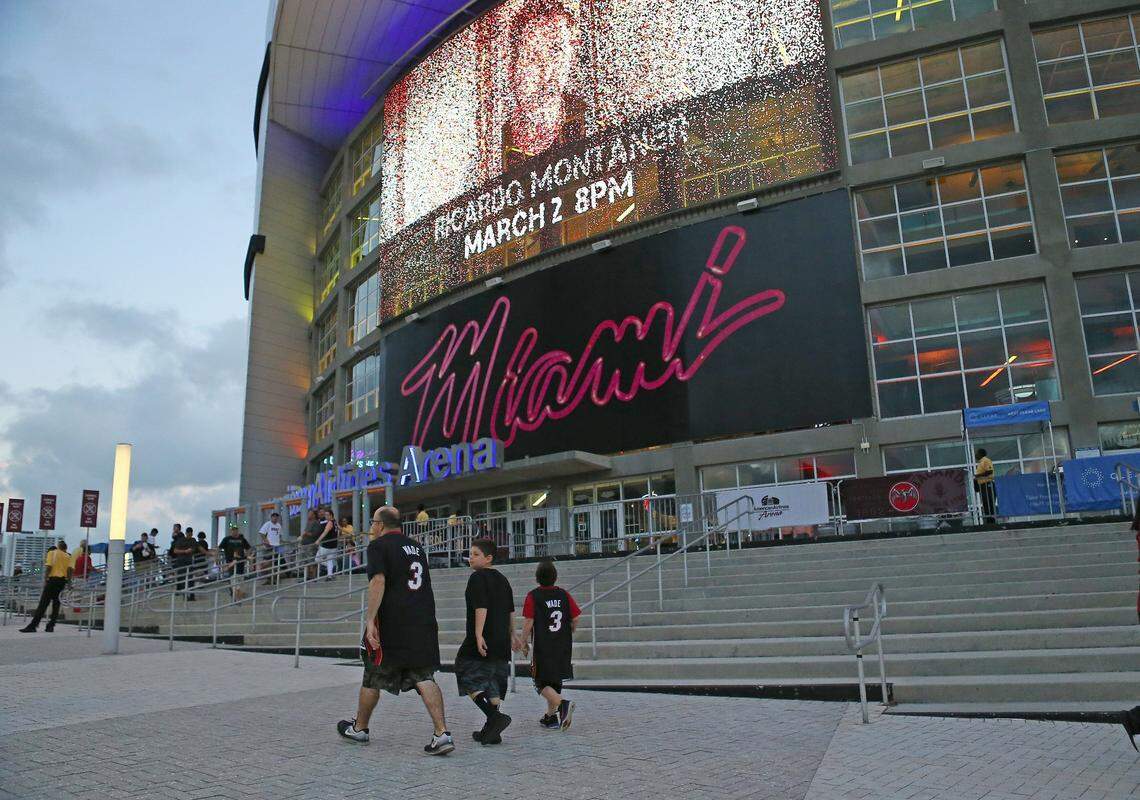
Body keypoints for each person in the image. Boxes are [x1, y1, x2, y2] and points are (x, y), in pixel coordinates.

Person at [337, 506, 454, 755]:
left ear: (380, 524)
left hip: (392, 622)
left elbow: (378, 581)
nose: (371, 528)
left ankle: (360, 728)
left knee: (373, 674)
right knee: (424, 676)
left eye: (372, 523)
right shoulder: (417, 548)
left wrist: (370, 621)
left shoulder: (379, 546)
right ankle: (442, 733)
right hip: (421, 620)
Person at [456, 538, 516, 746]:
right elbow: (510, 609)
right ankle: (492, 731)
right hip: (501, 639)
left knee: (466, 673)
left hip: (483, 637)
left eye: (476, 554)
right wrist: (513, 634)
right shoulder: (503, 579)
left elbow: (481, 607)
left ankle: (494, 718)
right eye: (470, 554)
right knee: (492, 682)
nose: (471, 558)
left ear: (489, 558)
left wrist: (478, 634)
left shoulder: (477, 578)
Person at [520, 559, 579, 730]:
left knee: (540, 682)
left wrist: (523, 642)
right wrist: (571, 629)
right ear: (555, 577)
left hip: (543, 646)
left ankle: (563, 705)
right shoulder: (564, 595)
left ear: (537, 578)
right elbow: (575, 618)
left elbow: (529, 621)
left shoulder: (533, 596)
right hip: (562, 644)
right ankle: (550, 717)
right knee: (554, 681)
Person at [20, 540, 72, 633]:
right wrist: (69, 583)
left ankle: (33, 626)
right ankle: (50, 626)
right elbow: (69, 571)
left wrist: (45, 579)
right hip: (62, 582)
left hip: (52, 581)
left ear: (58, 547)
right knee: (56, 605)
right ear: (65, 548)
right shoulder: (68, 556)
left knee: (43, 604)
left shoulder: (52, 553)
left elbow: (49, 567)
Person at [259, 512, 285, 584]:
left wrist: (281, 541)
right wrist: (266, 540)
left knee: (278, 561)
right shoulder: (268, 524)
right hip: (269, 546)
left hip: (277, 546)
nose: (275, 518)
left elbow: (280, 535)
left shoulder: (279, 525)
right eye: (274, 516)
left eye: (276, 517)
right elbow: (261, 533)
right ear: (271, 517)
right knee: (268, 561)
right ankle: (269, 577)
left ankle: (276, 576)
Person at [170, 529, 197, 600]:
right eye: (188, 533)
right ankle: (183, 594)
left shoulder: (193, 540)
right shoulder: (181, 540)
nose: (189, 535)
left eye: (190, 534)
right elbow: (175, 550)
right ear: (186, 533)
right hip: (181, 561)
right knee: (181, 578)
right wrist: (184, 551)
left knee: (190, 579)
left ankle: (191, 595)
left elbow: (196, 548)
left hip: (189, 561)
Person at [315, 509, 339, 581]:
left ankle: (332, 567)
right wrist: (349, 533)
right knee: (329, 560)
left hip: (327, 545)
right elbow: (340, 528)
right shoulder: (335, 522)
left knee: (317, 559)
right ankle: (330, 575)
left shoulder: (330, 523)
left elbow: (325, 532)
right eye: (325, 515)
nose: (326, 516)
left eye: (327, 515)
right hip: (334, 545)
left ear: (331, 515)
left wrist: (318, 540)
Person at [975, 448, 996, 524]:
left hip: (988, 485)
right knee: (985, 504)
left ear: (981, 454)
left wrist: (978, 476)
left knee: (989, 503)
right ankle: (988, 520)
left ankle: (992, 521)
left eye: (976, 453)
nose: (975, 455)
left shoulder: (986, 460)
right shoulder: (980, 463)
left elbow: (990, 471)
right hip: (983, 486)